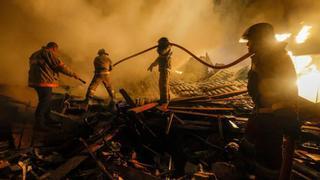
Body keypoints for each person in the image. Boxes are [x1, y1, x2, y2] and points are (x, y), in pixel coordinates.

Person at [242, 23, 300, 179]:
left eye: (251, 40)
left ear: (260, 40)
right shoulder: (261, 58)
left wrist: (286, 116)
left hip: (274, 120)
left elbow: (287, 89)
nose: (248, 44)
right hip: (262, 117)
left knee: (269, 163)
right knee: (251, 152)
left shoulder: (277, 59)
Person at [28, 42, 83, 129]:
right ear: (54, 48)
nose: (56, 53)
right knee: (44, 102)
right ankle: (39, 124)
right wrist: (73, 74)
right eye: (56, 51)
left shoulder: (35, 54)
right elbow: (60, 66)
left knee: (46, 100)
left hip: (35, 81)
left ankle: (47, 118)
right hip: (44, 81)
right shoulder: (48, 53)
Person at [148, 37, 172, 108]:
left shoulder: (167, 49)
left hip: (165, 69)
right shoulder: (164, 50)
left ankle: (164, 101)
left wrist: (160, 47)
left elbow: (161, 53)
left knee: (163, 85)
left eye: (159, 43)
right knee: (164, 84)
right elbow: (159, 58)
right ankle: (166, 99)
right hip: (163, 69)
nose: (158, 45)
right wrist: (152, 65)